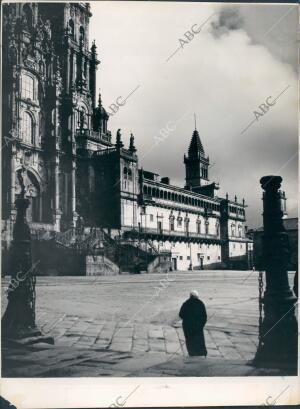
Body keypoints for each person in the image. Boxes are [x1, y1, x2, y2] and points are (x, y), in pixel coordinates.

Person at [179, 290, 207, 357]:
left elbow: (181, 314)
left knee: (189, 340)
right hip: (198, 326)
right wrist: (201, 325)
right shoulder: (200, 303)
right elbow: (204, 316)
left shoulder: (186, 303)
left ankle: (191, 353)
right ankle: (201, 353)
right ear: (197, 296)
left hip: (188, 326)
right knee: (199, 340)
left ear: (190, 296)